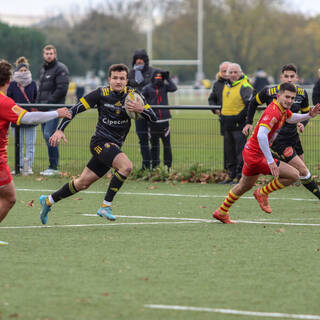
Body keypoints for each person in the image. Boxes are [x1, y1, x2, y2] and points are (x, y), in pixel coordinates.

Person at [39, 64, 157, 225]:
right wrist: (60, 130)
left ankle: (48, 201)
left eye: (122, 78)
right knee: (126, 167)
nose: (118, 81)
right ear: (109, 79)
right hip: (100, 142)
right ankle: (105, 206)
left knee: (82, 183)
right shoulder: (101, 94)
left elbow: (154, 117)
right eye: (115, 78)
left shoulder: (133, 95)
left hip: (114, 147)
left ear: (126, 80)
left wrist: (141, 109)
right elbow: (74, 109)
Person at [213, 83, 320, 224]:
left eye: (292, 98)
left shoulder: (282, 109)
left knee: (244, 185)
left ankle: (221, 211)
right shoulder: (274, 111)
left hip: (250, 152)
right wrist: (270, 161)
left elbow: (290, 117)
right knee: (294, 175)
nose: (289, 100)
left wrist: (308, 115)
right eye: (287, 97)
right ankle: (262, 192)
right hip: (257, 156)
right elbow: (261, 136)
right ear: (278, 96)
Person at [0, 59, 71, 225]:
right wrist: (56, 113)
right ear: (9, 81)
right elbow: (29, 117)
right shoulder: (4, 102)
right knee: (9, 198)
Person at [243, 64, 320, 200]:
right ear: (281, 77)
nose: (289, 79)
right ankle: (262, 192)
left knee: (299, 172)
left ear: (296, 78)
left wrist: (307, 118)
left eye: (292, 76)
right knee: (301, 171)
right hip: (280, 139)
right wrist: (248, 122)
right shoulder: (270, 93)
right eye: (286, 76)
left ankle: (261, 192)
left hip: (294, 136)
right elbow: (253, 103)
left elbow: (294, 116)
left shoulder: (300, 94)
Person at [37, 44, 69, 176]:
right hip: (42, 109)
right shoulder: (43, 69)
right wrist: (38, 104)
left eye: (51, 53)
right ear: (43, 55)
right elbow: (41, 89)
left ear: (55, 54)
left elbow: (62, 88)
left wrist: (49, 101)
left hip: (53, 108)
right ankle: (52, 166)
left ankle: (54, 167)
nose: (49, 55)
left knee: (49, 135)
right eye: (46, 53)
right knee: (46, 136)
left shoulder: (60, 68)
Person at [219, 63, 253, 184]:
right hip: (227, 124)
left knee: (240, 152)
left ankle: (240, 177)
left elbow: (249, 105)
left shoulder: (245, 86)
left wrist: (238, 117)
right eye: (231, 72)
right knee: (229, 152)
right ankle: (231, 175)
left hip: (239, 125)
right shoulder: (226, 85)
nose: (233, 75)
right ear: (227, 74)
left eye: (235, 72)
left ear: (240, 73)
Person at [142, 69, 177, 170]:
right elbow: (141, 100)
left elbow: (174, 88)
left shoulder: (165, 87)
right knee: (154, 146)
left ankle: (168, 167)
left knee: (167, 146)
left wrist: (168, 78)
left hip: (164, 121)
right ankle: (155, 167)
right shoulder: (147, 88)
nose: (158, 79)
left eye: (160, 77)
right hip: (152, 122)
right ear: (153, 78)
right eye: (156, 77)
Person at [7, 56, 37, 175]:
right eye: (21, 70)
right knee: (18, 145)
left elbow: (36, 99)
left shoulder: (33, 84)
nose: (23, 72)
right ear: (17, 71)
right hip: (16, 118)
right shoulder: (12, 85)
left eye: (25, 70)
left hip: (30, 118)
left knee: (30, 144)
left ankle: (28, 167)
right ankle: (19, 167)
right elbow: (9, 100)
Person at [128, 49, 156, 170]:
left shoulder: (152, 72)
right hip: (137, 111)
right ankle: (146, 165)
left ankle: (156, 165)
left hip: (150, 109)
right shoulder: (131, 73)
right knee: (142, 139)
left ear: (145, 60)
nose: (139, 60)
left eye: (141, 58)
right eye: (137, 58)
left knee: (154, 138)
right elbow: (128, 86)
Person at [208, 61, 231, 170]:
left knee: (239, 148)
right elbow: (212, 99)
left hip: (238, 120)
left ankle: (240, 173)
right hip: (223, 119)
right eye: (223, 71)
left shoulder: (239, 83)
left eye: (228, 70)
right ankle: (227, 171)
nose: (226, 73)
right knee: (227, 147)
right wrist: (215, 109)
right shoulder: (217, 84)